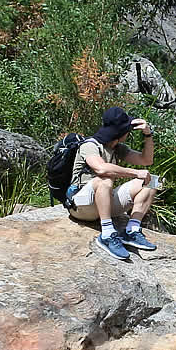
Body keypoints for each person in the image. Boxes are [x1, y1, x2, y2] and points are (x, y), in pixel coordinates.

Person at [68, 106, 159, 260]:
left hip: (104, 205)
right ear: (121, 132)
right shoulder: (90, 145)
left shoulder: (117, 148)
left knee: (152, 181)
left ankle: (131, 231)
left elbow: (146, 160)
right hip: (82, 206)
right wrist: (135, 173)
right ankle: (107, 235)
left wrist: (148, 134)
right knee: (105, 179)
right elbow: (101, 168)